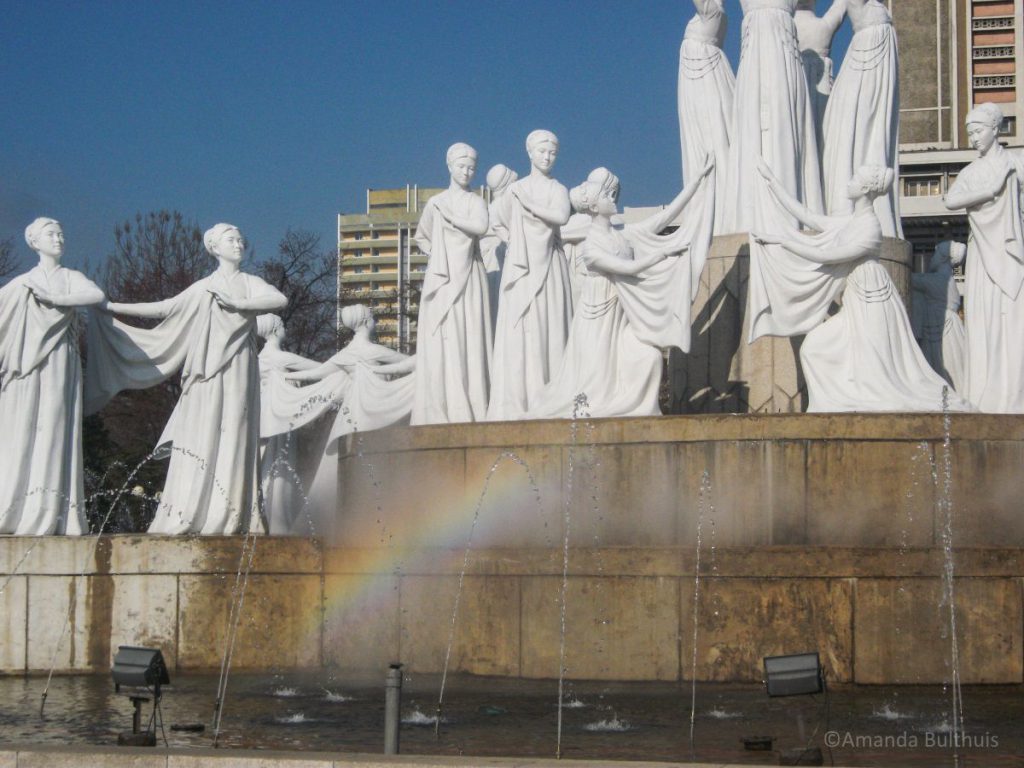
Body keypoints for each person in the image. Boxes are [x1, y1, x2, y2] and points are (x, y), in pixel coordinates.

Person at [86, 223, 287, 534]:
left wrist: (241, 305)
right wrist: (113, 307)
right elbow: (165, 308)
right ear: (215, 248)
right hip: (207, 370)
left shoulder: (249, 283)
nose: (238, 244)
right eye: (230, 240)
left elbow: (278, 299)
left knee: (236, 429)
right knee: (204, 430)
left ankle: (233, 511)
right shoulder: (204, 288)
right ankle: (195, 507)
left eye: (239, 239)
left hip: (239, 368)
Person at [751, 163, 972, 412]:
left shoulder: (870, 227)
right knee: (814, 348)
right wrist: (773, 182)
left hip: (873, 303)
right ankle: (831, 407)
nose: (850, 182)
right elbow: (808, 216)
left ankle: (856, 407)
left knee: (872, 368)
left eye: (855, 178)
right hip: (856, 298)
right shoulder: (850, 221)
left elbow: (833, 255)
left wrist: (784, 241)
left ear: (865, 188)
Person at [529, 159, 715, 418]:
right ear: (594, 206)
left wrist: (696, 184)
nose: (612, 196)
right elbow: (625, 269)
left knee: (649, 357)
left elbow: (665, 217)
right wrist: (661, 255)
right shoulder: (591, 247)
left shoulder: (623, 235)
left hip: (624, 314)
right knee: (596, 382)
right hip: (597, 321)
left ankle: (641, 412)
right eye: (606, 194)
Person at [0, 218, 104, 535]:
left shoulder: (71, 278)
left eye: (61, 233)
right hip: (26, 369)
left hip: (61, 362)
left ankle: (55, 511)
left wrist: (56, 300)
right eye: (51, 234)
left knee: (55, 427)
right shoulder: (21, 285)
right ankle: (15, 506)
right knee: (23, 428)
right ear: (34, 241)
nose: (58, 238)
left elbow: (95, 295)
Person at [487, 130, 573, 420]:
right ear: (530, 153)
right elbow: (494, 220)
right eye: (542, 151)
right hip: (521, 267)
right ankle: (519, 401)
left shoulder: (557, 189)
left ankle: (551, 399)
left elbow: (561, 217)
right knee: (521, 330)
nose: (547, 157)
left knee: (549, 327)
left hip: (550, 265)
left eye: (552, 153)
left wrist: (529, 205)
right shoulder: (515, 190)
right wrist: (512, 240)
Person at [944, 102, 1024, 413]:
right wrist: (990, 190)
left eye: (978, 131)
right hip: (981, 252)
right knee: (984, 320)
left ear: (995, 129)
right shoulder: (971, 171)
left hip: (1012, 250)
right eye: (970, 133)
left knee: (1013, 321)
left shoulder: (1016, 162)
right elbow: (951, 200)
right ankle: (983, 395)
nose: (974, 138)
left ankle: (1014, 395)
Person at [723, 0, 824, 233]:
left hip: (784, 60)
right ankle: (750, 217)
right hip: (755, 58)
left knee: (784, 132)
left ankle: (788, 215)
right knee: (753, 132)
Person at [411, 143, 492, 425]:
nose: (467, 172)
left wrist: (453, 219)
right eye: (461, 166)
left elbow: (482, 227)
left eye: (471, 168)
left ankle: (471, 405)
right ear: (450, 167)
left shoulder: (476, 202)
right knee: (443, 337)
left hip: (469, 275)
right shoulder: (436, 203)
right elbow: (422, 237)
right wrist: (437, 254)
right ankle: (443, 404)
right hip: (442, 277)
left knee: (469, 335)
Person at [821, 0, 902, 237]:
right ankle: (847, 204)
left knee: (875, 131)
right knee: (857, 129)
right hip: (867, 55)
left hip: (877, 56)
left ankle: (872, 200)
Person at [255, 314, 319, 534]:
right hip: (279, 421)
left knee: (262, 471)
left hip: (260, 422)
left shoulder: (257, 360)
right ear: (274, 330)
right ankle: (279, 521)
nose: (285, 330)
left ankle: (259, 518)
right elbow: (321, 369)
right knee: (280, 468)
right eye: (282, 326)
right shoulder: (280, 358)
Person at [677, 0, 735, 233]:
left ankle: (718, 215)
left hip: (704, 83)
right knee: (704, 146)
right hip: (699, 80)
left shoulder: (714, 10)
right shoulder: (715, 11)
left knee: (712, 144)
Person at [911, 241, 966, 392]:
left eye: (935, 254)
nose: (932, 258)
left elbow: (911, 279)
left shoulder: (938, 279)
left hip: (941, 327)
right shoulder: (948, 280)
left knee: (942, 367)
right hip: (949, 327)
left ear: (942, 258)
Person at [794, 0, 846, 157]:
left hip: (794, 94)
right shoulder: (823, 27)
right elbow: (841, 6)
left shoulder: (785, 27)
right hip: (821, 96)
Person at [481, 163, 518, 325]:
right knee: (501, 302)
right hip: (498, 259)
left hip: (490, 260)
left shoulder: (490, 207)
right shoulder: (503, 206)